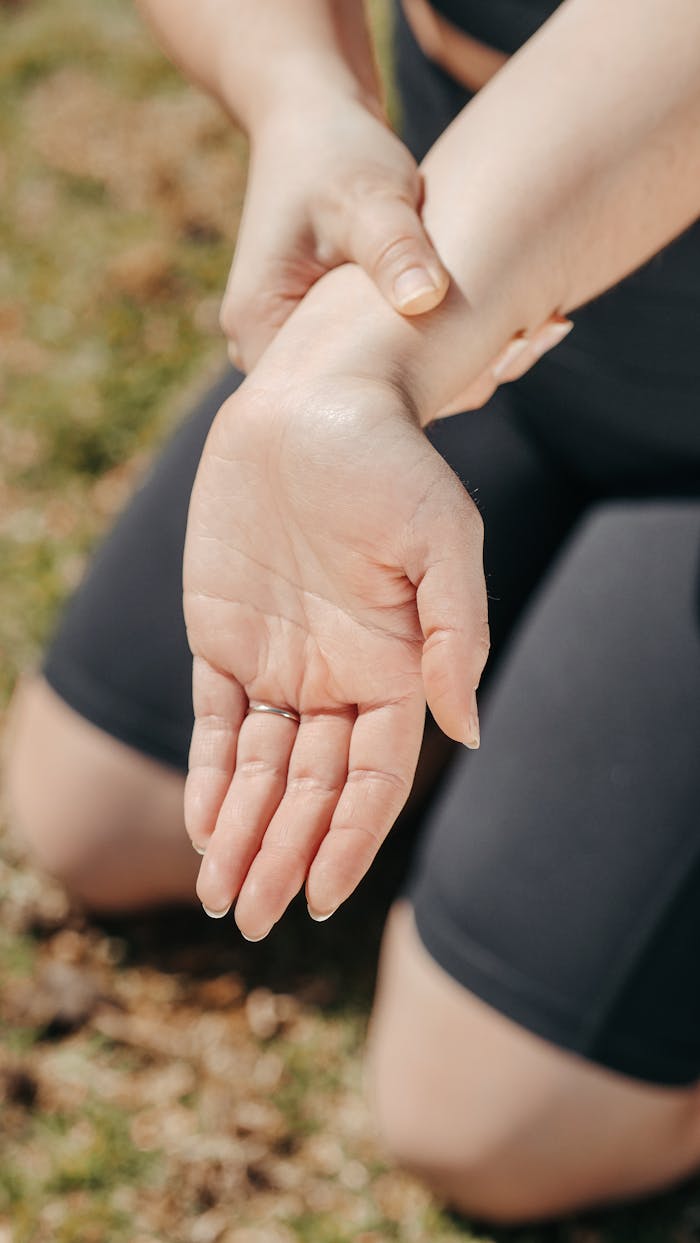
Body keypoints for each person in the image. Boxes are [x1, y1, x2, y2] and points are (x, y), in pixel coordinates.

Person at [4, 0, 700, 1224]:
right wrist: (297, 95)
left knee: (496, 1118)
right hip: (469, 290)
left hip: (459, 301)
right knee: (98, 809)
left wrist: (353, 356)